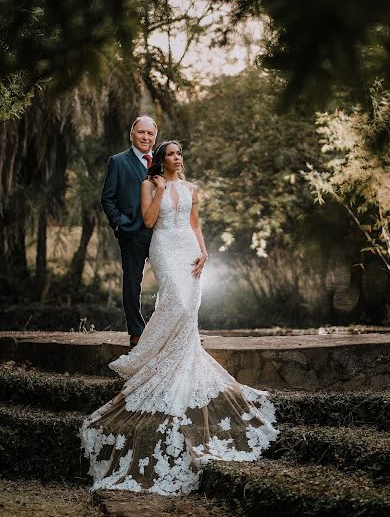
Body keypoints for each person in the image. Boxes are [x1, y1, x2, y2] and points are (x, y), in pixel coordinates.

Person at [80, 141, 279, 495]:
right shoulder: (149, 184)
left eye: (179, 154)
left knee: (191, 307)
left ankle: (181, 355)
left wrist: (204, 252)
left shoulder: (191, 187)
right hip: (164, 247)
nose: (177, 158)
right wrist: (157, 189)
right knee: (177, 301)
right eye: (171, 154)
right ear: (161, 160)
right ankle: (150, 353)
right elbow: (149, 220)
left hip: (188, 247)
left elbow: (195, 223)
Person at [101, 116, 157, 349]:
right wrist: (119, 224)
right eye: (141, 132)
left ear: (155, 137)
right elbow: (107, 198)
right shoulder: (118, 161)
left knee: (174, 279)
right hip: (132, 233)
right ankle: (136, 331)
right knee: (133, 283)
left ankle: (172, 328)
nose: (146, 137)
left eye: (150, 134)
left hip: (162, 232)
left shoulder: (161, 162)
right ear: (131, 135)